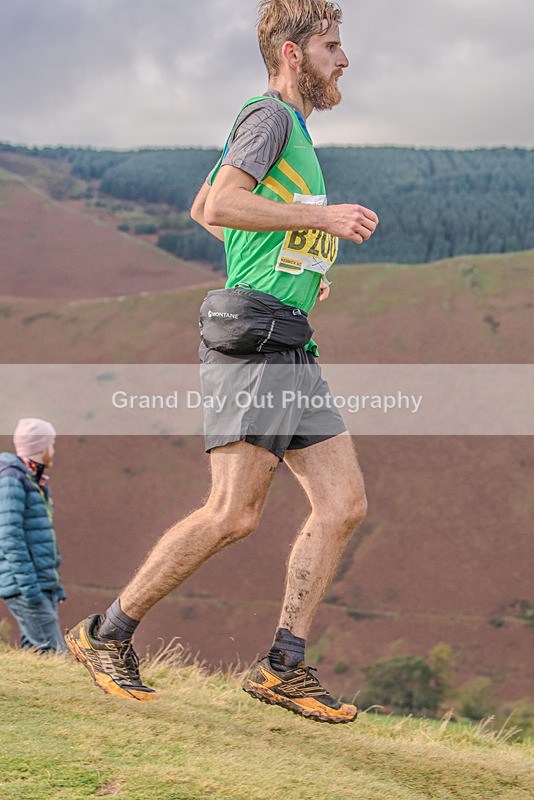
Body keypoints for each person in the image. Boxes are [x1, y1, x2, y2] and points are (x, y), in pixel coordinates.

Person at [66, 0, 378, 723]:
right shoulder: (269, 117)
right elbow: (225, 205)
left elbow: (204, 206)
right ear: (294, 54)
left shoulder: (288, 127)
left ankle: (282, 668)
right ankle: (106, 633)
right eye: (332, 46)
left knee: (343, 505)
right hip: (255, 338)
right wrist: (321, 219)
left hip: (288, 335)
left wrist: (298, 262)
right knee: (233, 513)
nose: (344, 60)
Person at [0, 418, 66, 653]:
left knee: (36, 653)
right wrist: (29, 588)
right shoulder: (12, 479)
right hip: (26, 586)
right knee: (55, 654)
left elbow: (40, 538)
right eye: (51, 444)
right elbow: (9, 536)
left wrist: (53, 587)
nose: (53, 450)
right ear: (41, 447)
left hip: (39, 584)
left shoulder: (34, 480)